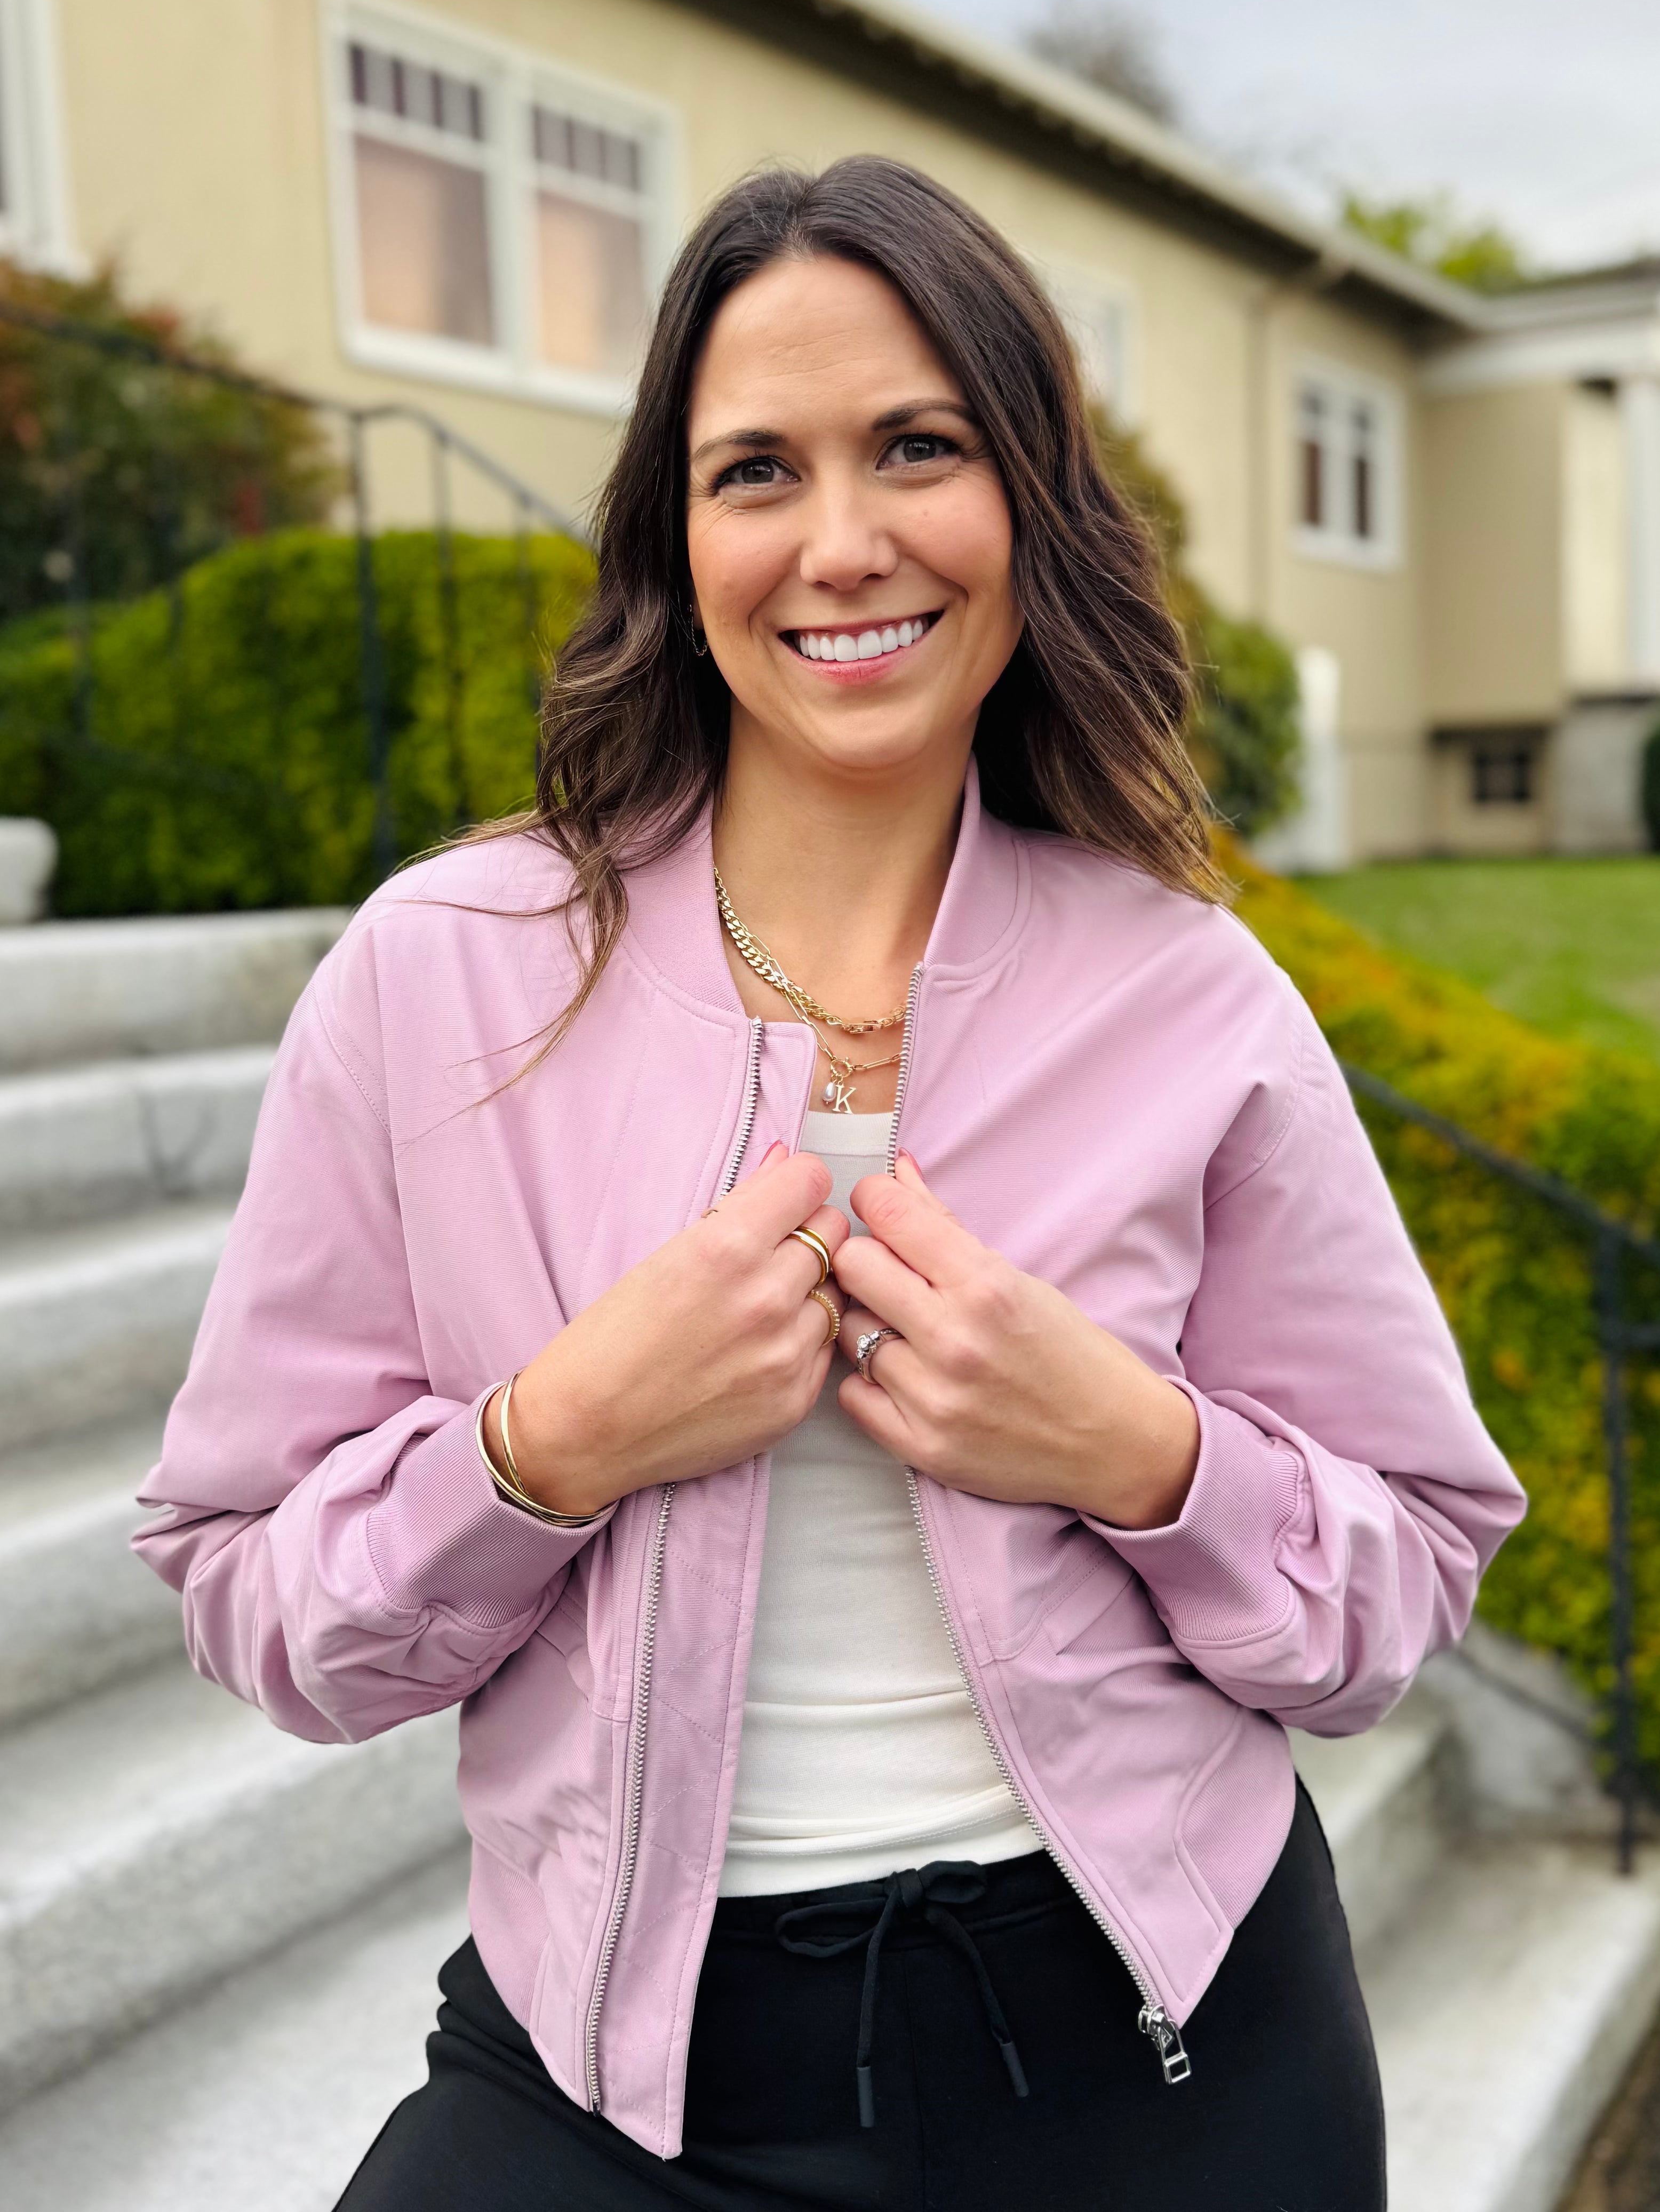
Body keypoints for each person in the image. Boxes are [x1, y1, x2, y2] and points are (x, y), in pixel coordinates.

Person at [135, 155, 1526, 2211]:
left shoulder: (1189, 994)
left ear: (1024, 505)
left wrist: (1138, 1452)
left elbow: (1403, 1576)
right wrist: (549, 1444)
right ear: (675, 537)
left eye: (918, 447)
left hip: (1178, 2048)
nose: (844, 542)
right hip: (617, 2083)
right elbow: (252, 1588)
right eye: (756, 470)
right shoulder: (441, 979)